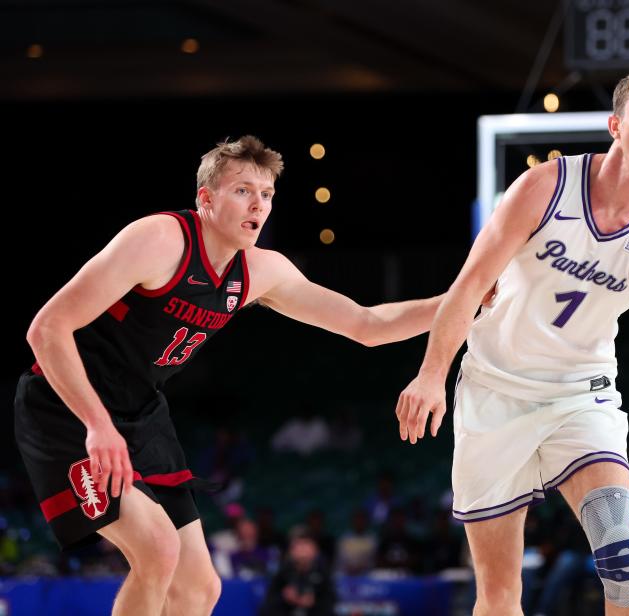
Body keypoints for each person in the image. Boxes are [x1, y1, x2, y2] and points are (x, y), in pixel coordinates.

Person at [395, 65, 629, 616]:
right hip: (492, 391)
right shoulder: (546, 185)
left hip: (581, 397)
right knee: (501, 594)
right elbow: (469, 287)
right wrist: (432, 374)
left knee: (623, 561)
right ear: (615, 124)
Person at [13, 135, 443, 616]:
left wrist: (459, 305)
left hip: (140, 410)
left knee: (200, 589)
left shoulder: (262, 271)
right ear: (206, 199)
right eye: (243, 190)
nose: (258, 204)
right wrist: (97, 424)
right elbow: (47, 328)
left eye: (267, 195)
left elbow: (367, 325)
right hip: (65, 405)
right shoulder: (159, 240)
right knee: (156, 550)